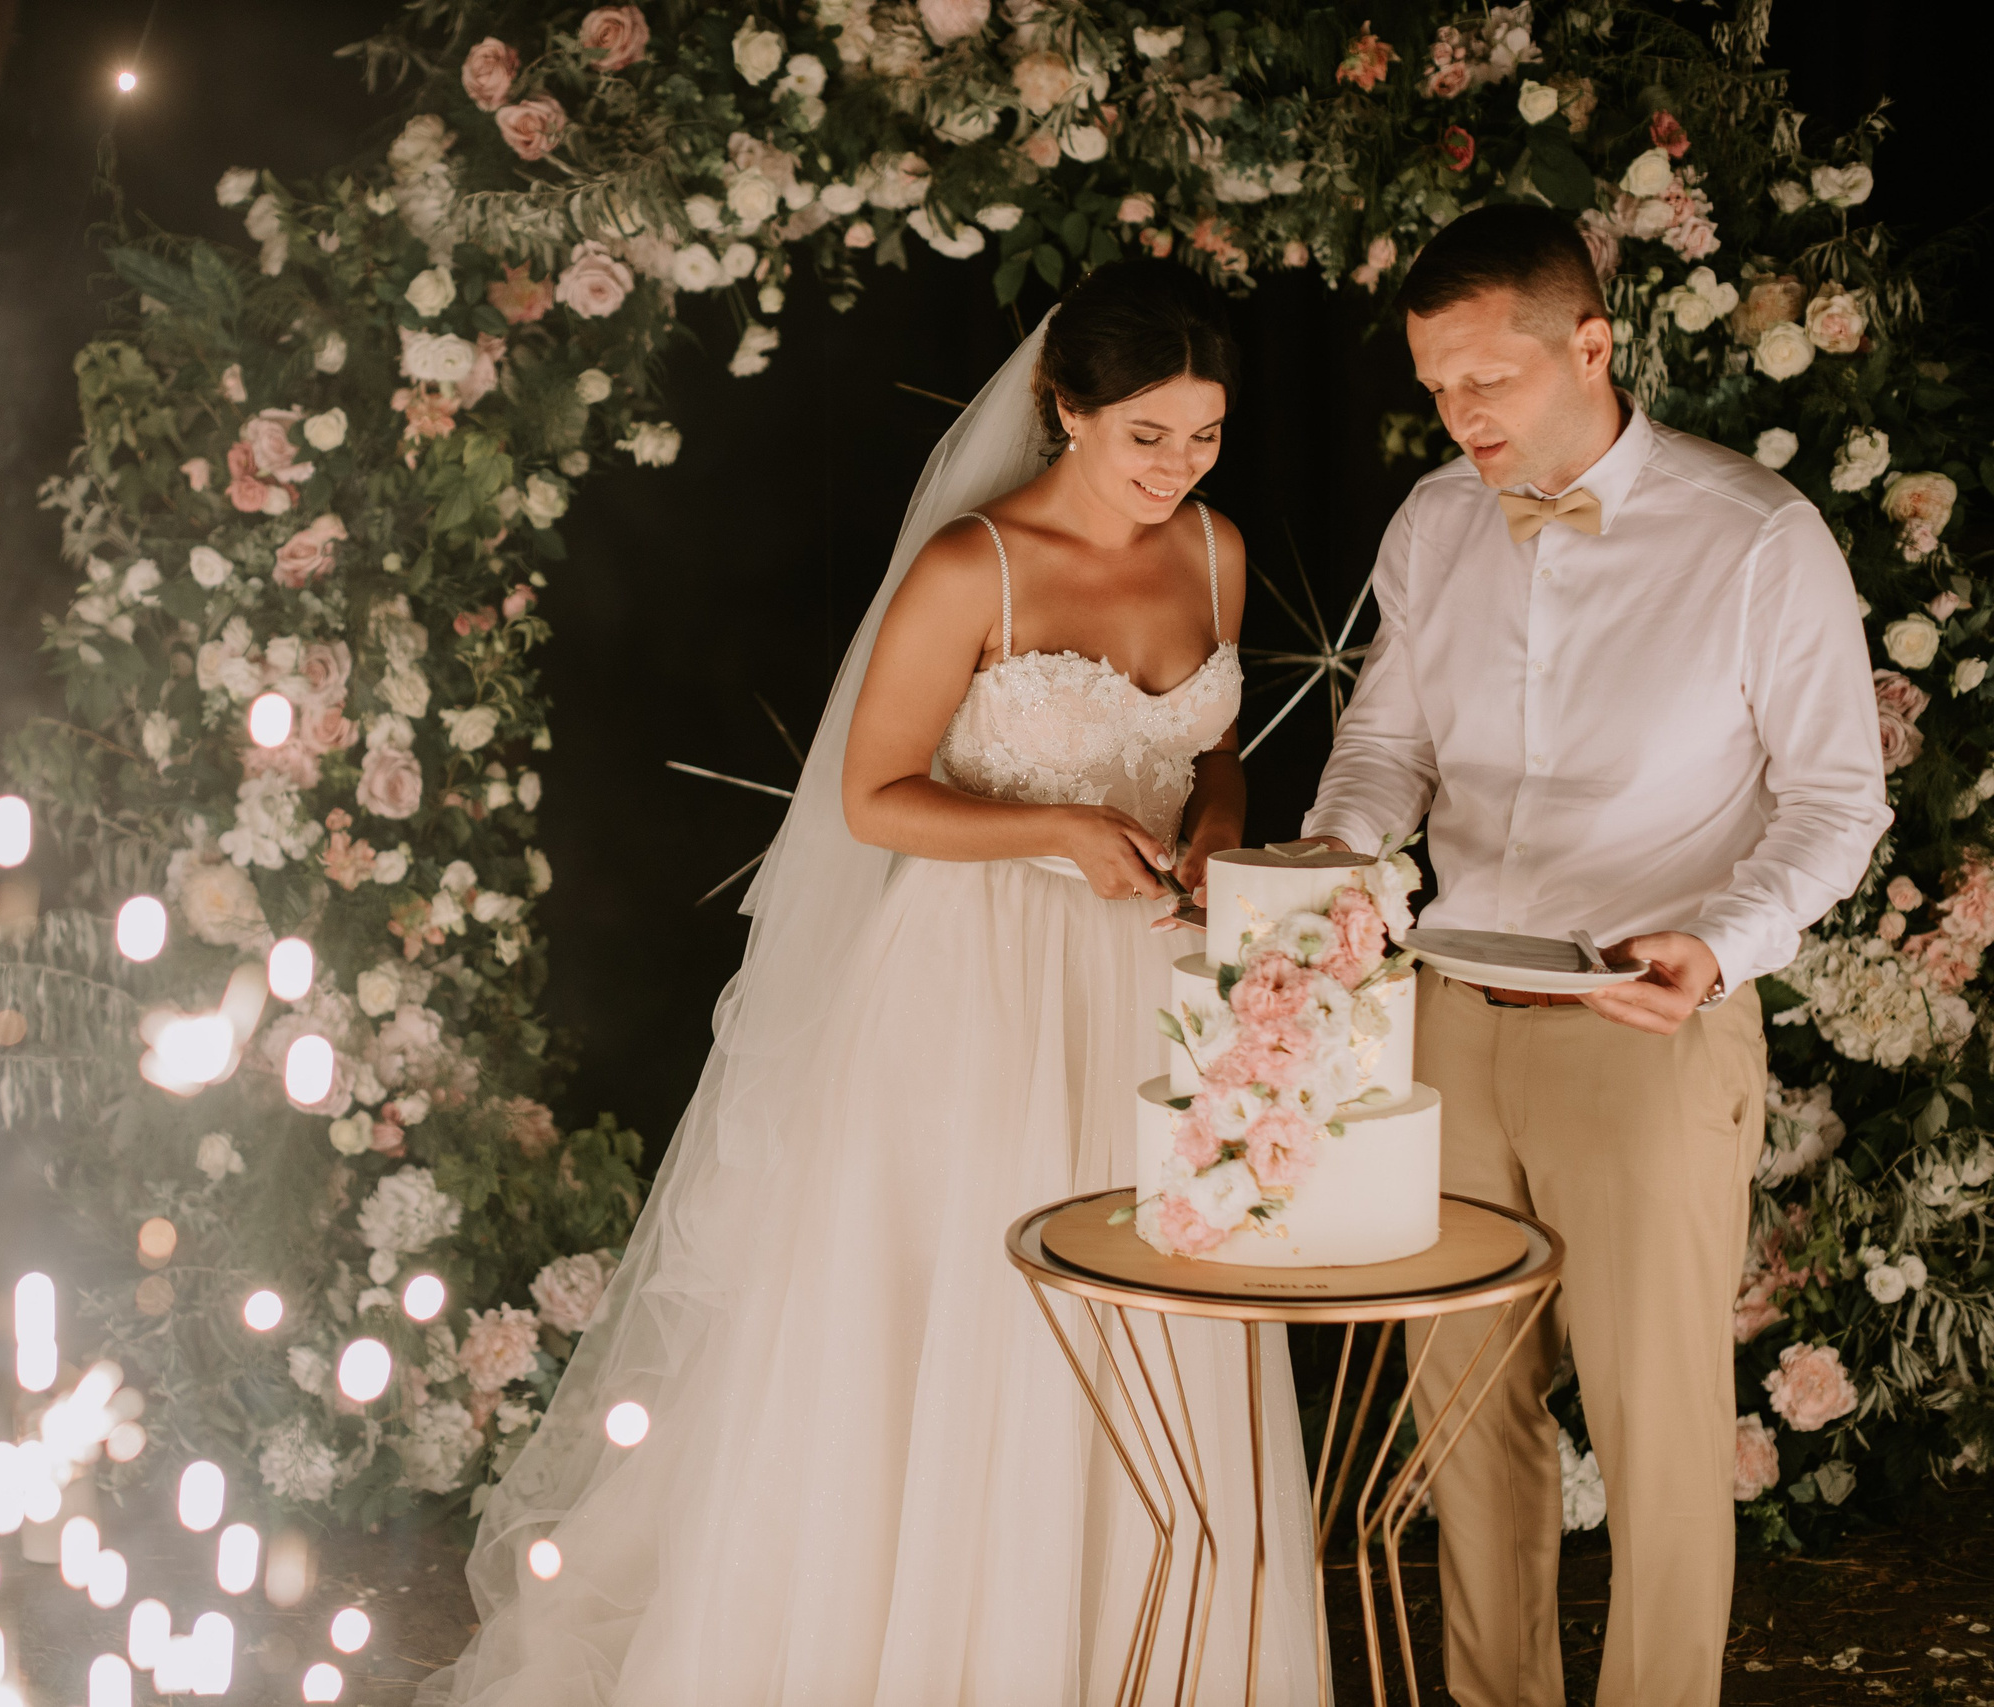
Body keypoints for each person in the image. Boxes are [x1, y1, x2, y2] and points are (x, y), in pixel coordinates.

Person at [419, 262, 1326, 1705]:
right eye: (1146, 433)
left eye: (1204, 433)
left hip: (1149, 986)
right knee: (978, 1315)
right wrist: (1056, 829)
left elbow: (1210, 749)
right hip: (974, 984)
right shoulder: (979, 563)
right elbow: (871, 797)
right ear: (1065, 409)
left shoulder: (1211, 550)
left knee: (1157, 1311)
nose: (1177, 466)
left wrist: (1213, 840)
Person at [1304, 205, 1891, 1707]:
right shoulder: (1437, 521)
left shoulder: (1757, 536)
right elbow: (1386, 743)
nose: (1462, 416)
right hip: (1449, 1022)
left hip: (1645, 1030)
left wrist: (1723, 942)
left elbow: (1839, 801)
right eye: (1437, 387)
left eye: (1489, 380)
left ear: (1591, 343)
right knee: (1469, 1428)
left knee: (1658, 1434)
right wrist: (1334, 858)